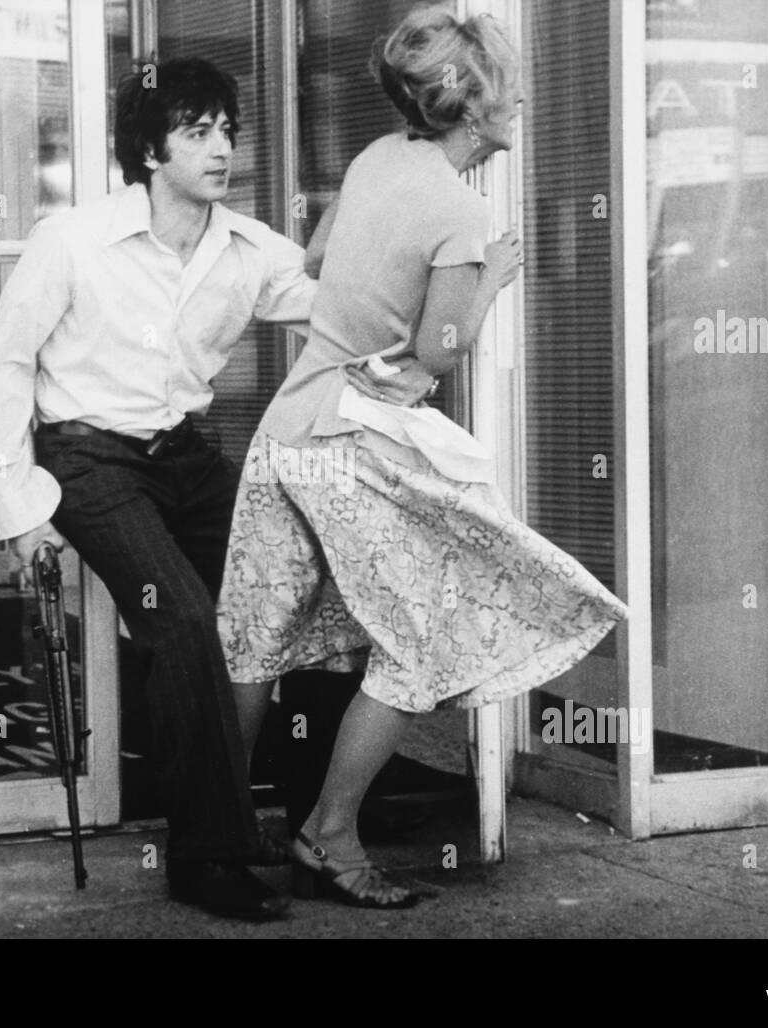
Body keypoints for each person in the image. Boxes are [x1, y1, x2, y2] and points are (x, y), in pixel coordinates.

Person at [0, 56, 429, 921]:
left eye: (226, 130)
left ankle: (318, 824)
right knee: (182, 619)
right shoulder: (72, 239)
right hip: (87, 461)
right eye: (197, 132)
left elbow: (346, 309)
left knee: (299, 591)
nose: (221, 148)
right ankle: (206, 854)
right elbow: (6, 366)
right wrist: (18, 512)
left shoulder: (248, 249)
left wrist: (446, 270)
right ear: (150, 150)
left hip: (185, 457)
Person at [218, 7, 628, 910]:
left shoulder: (374, 160)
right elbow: (441, 351)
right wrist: (493, 275)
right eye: (509, 88)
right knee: (416, 646)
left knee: (253, 641)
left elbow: (321, 262)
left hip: (289, 428)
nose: (520, 98)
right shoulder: (461, 210)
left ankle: (210, 836)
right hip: (355, 439)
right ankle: (328, 835)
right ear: (473, 109)